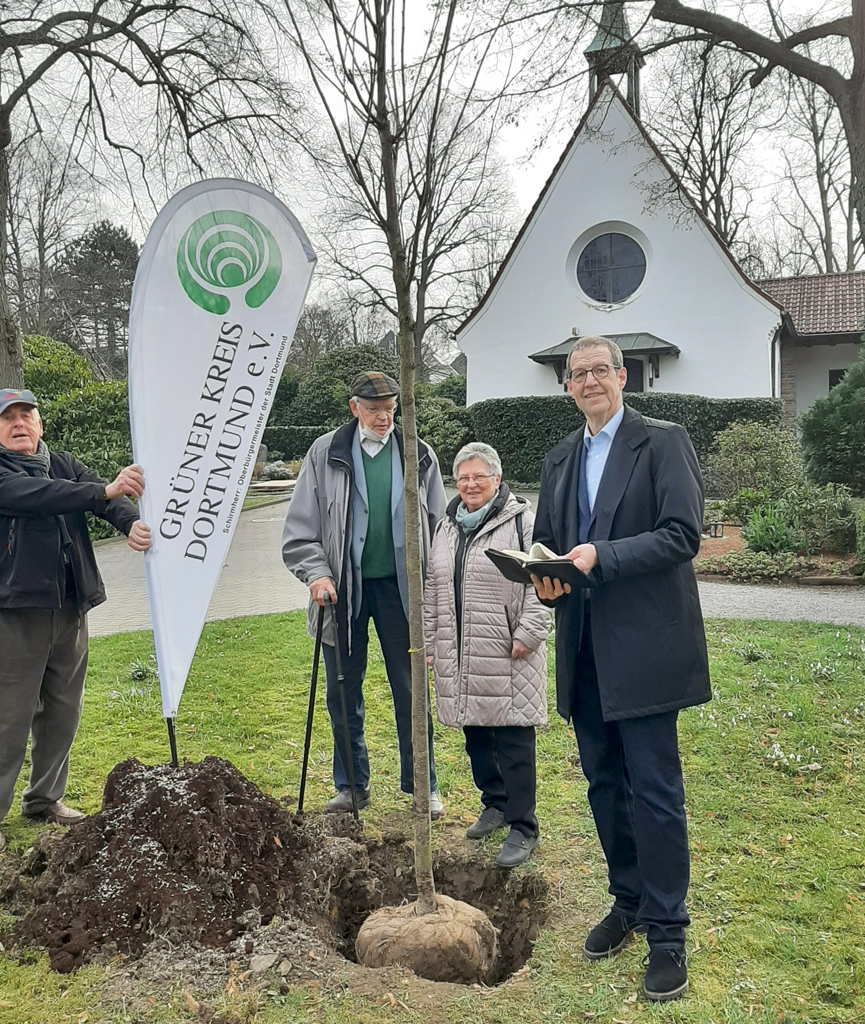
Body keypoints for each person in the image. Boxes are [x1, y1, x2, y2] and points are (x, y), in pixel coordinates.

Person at [531, 336, 710, 1002]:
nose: (588, 382)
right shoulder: (557, 460)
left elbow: (681, 534)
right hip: (583, 651)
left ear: (622, 376)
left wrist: (601, 556)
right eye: (576, 375)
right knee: (605, 785)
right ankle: (628, 900)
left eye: (598, 371)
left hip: (646, 651)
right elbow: (550, 546)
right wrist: (544, 580)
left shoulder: (662, 442)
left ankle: (668, 933)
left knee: (655, 793)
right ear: (568, 387)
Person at [0, 388, 152, 858]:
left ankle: (44, 798)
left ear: (40, 424)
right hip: (13, 611)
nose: (19, 424)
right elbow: (39, 498)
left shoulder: (63, 463)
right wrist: (102, 490)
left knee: (63, 711)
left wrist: (128, 520)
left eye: (27, 415)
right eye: (8, 418)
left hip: (69, 608)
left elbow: (104, 501)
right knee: (3, 716)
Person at [282, 371, 447, 817]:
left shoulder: (419, 453)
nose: (383, 416)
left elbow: (438, 526)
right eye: (374, 408)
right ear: (354, 408)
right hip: (342, 591)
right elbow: (300, 530)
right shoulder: (326, 452)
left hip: (401, 589)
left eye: (390, 408)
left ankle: (422, 786)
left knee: (411, 691)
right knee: (342, 692)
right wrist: (316, 574)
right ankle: (351, 786)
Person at [424, 442, 550, 868]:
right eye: (463, 478)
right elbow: (433, 585)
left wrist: (530, 632)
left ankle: (523, 825)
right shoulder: (446, 526)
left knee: (513, 735)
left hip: (507, 646)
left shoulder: (522, 522)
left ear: (497, 479)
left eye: (479, 476)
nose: (471, 484)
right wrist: (429, 638)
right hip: (459, 649)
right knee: (475, 732)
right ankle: (495, 804)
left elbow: (542, 579)